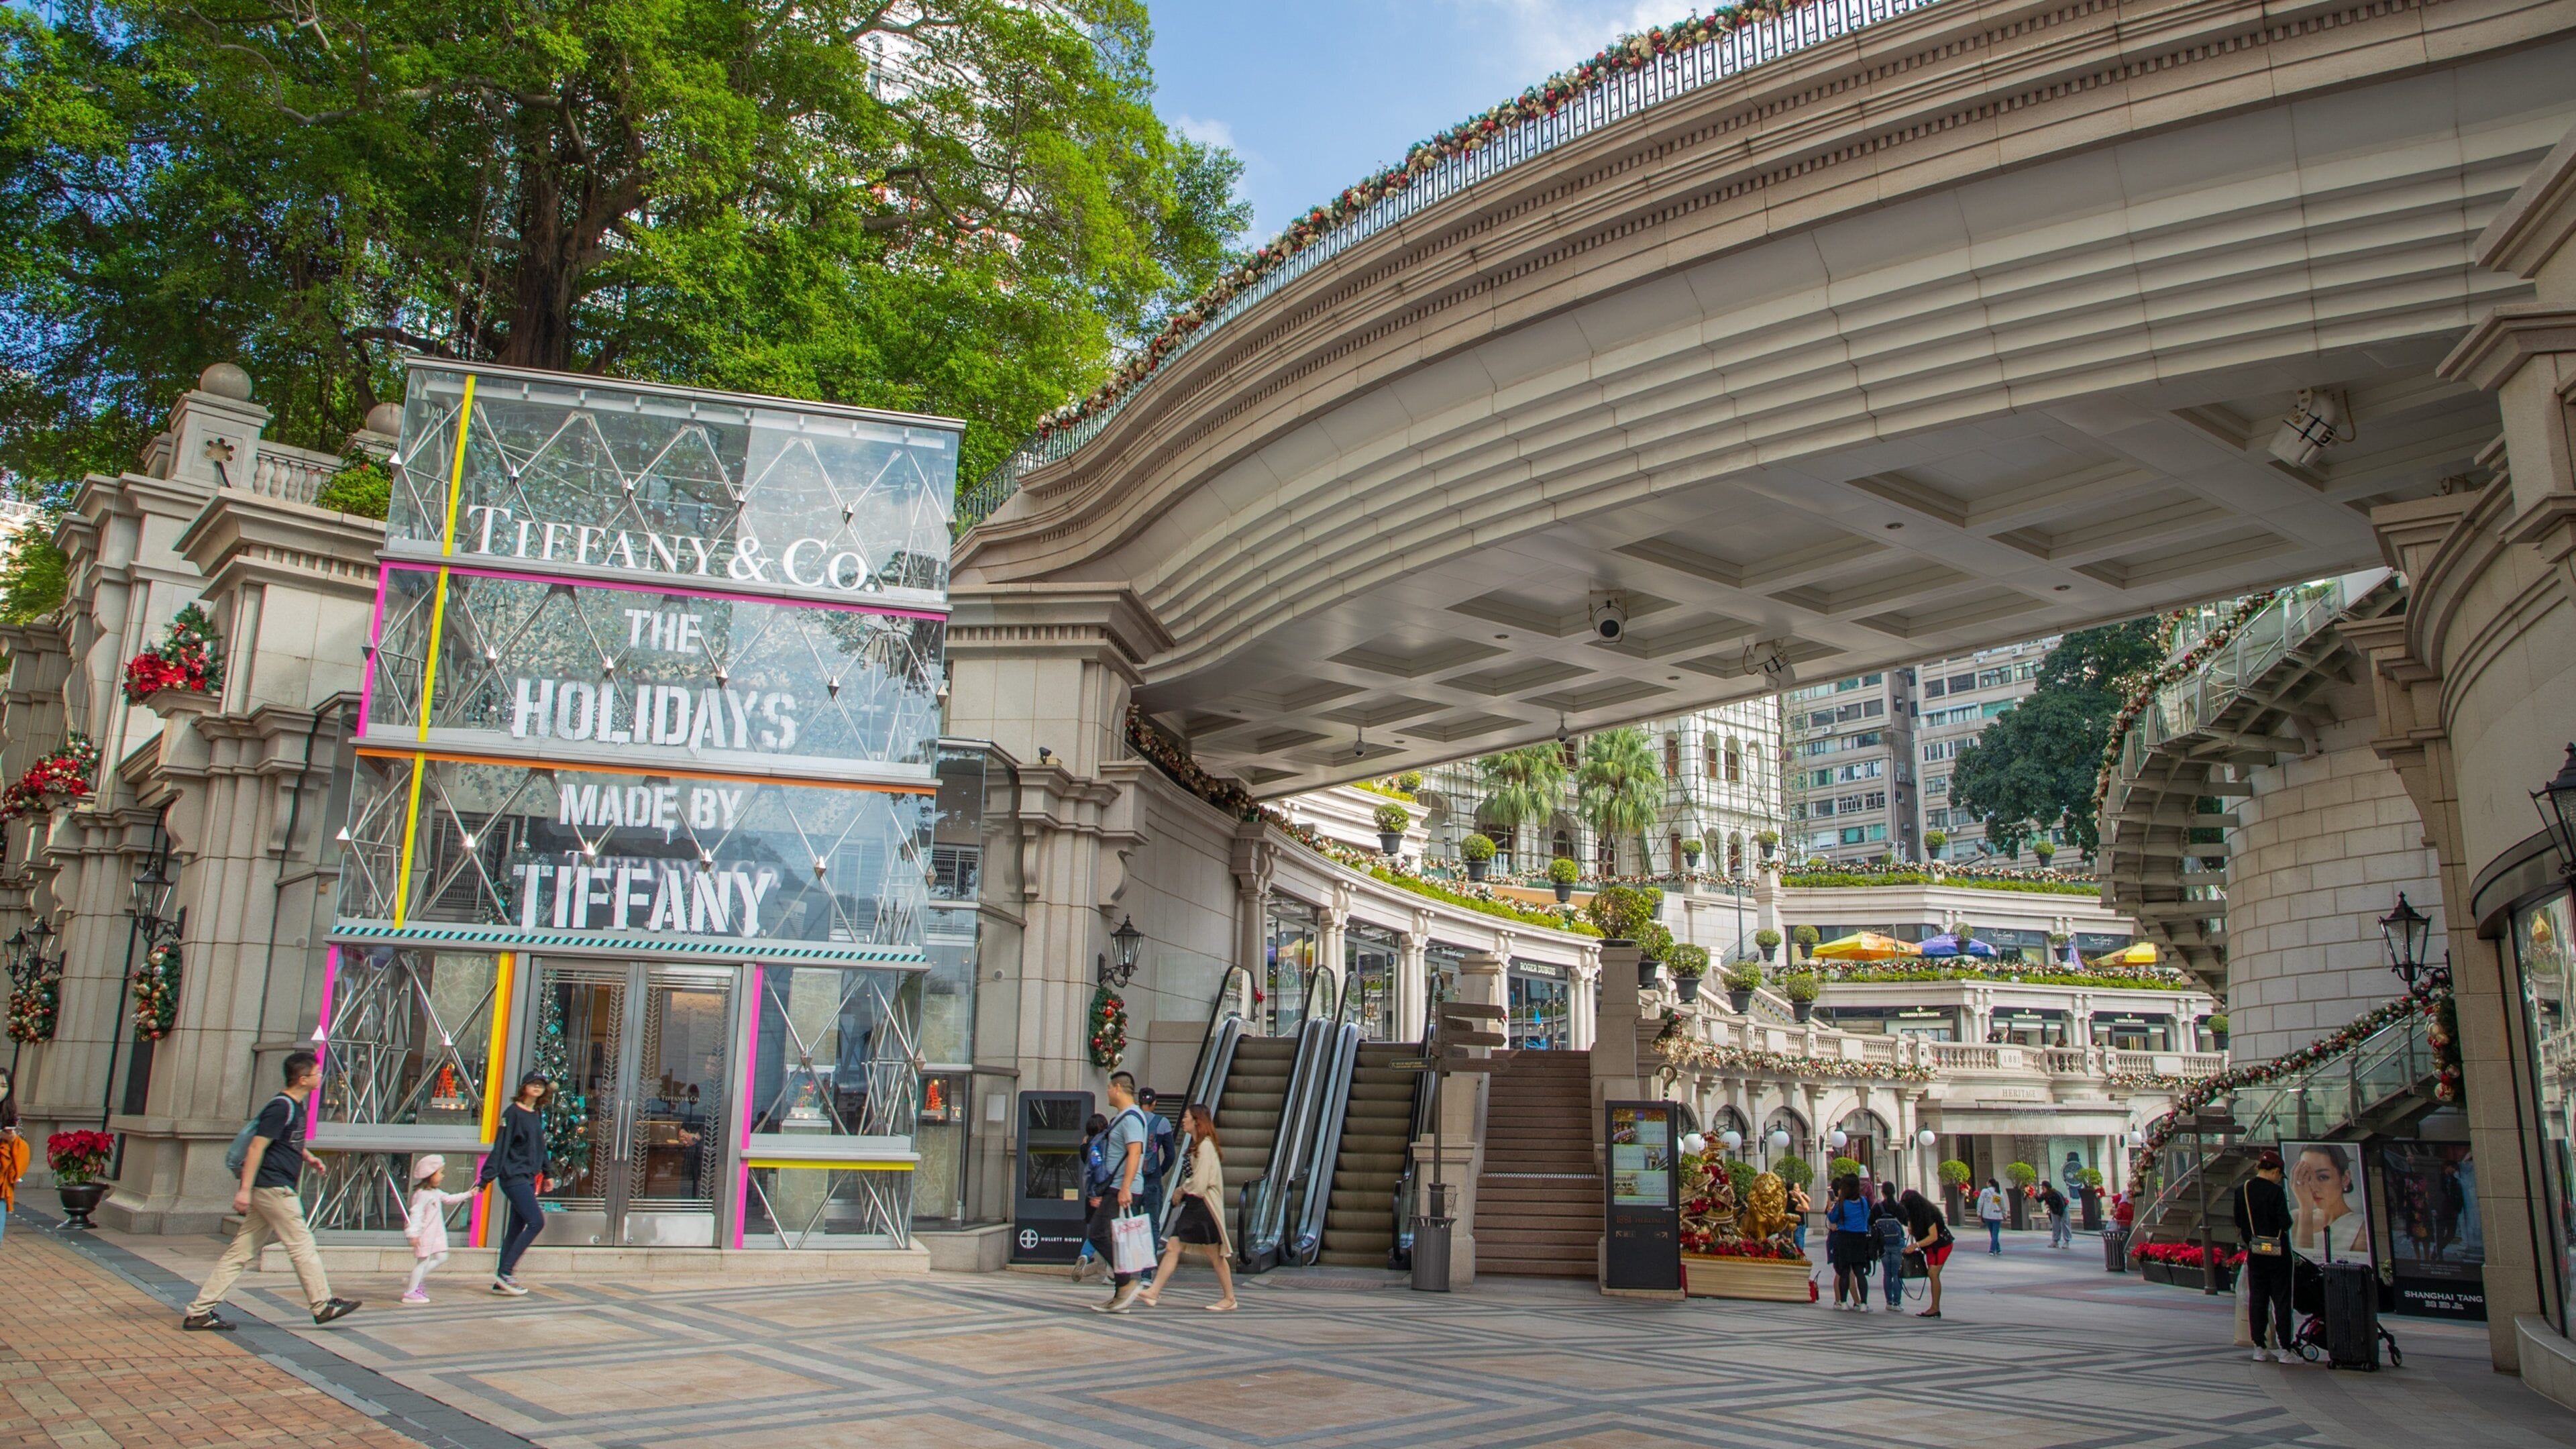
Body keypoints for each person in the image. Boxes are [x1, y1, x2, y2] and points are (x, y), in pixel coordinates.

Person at [183, 1051, 360, 1330]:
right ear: (303, 1079)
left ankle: (200, 1312)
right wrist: (244, 1190)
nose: (320, 1077)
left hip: (271, 1188)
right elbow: (257, 1147)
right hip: (274, 1188)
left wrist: (306, 1156)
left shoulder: (294, 1107)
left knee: (239, 1253)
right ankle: (322, 1304)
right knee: (302, 1245)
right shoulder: (281, 1107)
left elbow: (284, 1141)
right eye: (316, 1073)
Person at [1137, 1104, 1238, 1311]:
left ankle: (1229, 1298)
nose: (1183, 1120)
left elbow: (1200, 1183)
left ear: (1197, 1121)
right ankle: (1154, 1292)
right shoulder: (1197, 1145)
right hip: (1197, 1206)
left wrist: (1181, 1190)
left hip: (1203, 1207)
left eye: (1187, 1117)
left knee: (1213, 1254)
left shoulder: (1205, 1146)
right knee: (1177, 1246)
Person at [477, 1072, 552, 1297]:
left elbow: (540, 1146)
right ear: (524, 1087)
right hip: (513, 1177)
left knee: (516, 1226)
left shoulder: (536, 1114)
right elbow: (501, 1147)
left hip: (529, 1177)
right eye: (533, 1084)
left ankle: (502, 1279)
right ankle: (506, 1272)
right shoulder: (513, 1113)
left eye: (541, 1085)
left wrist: (548, 1173)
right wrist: (486, 1178)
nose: (537, 1088)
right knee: (536, 1221)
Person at [1083, 1071, 1151, 1313]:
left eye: (1110, 1088)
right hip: (1119, 1186)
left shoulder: (1131, 1118)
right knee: (1114, 1237)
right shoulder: (1123, 1117)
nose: (1108, 1092)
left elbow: (1135, 1153)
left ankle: (1128, 1280)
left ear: (1119, 1088)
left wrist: (1124, 1188)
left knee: (1098, 1232)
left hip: (1124, 1187)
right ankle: (1120, 1294)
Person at [2234, 1148, 2296, 1362]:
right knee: (2281, 1299)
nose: (2279, 1179)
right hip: (2278, 1253)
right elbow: (2286, 1222)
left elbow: (2239, 1221)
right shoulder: (2276, 1192)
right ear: (2276, 1171)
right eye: (2280, 1175)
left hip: (2255, 1251)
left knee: (2258, 1298)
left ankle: (2259, 1346)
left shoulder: (2242, 1190)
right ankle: (2286, 1349)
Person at [400, 1155, 474, 1304]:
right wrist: (413, 1234)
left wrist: (469, 1194)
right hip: (424, 1235)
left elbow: (449, 1198)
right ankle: (410, 1292)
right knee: (422, 1262)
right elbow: (416, 1214)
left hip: (435, 1235)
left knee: (441, 1257)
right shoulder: (422, 1195)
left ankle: (415, 1281)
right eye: (440, 1172)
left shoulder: (434, 1192)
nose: (442, 1176)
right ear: (430, 1174)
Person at [2289, 1143, 2369, 1258]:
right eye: (2306, 1177)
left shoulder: (2360, 1227)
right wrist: (2305, 1209)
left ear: (2345, 1178)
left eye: (2323, 1177)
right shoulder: (2294, 1217)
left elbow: (2305, 1263)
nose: (2313, 1187)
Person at [1899, 1187, 1954, 1319]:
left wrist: (1915, 1245)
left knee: (1933, 1274)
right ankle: (1934, 1307)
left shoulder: (1928, 1213)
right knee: (1932, 1274)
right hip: (1932, 1247)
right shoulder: (1917, 1214)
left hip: (1940, 1245)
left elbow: (1933, 1236)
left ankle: (1935, 1307)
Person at [1072, 1111, 1113, 1283]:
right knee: (1109, 1235)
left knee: (1094, 1232)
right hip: (1103, 1195)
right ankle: (1111, 1272)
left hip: (1089, 1197)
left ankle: (1085, 1256)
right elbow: (1101, 1170)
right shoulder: (1102, 1147)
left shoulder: (1085, 1147)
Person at [1825, 1173, 1875, 1311]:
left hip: (1845, 1237)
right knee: (1859, 1270)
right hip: (1860, 1237)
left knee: (1844, 1270)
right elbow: (1867, 1216)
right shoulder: (1863, 1201)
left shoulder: (1842, 1203)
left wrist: (1830, 1210)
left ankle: (1843, 1301)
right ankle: (1864, 1303)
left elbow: (1833, 1218)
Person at [1138, 1087, 1178, 1254]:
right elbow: (1170, 1155)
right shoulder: (1162, 1123)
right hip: (1152, 1179)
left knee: (1130, 1223)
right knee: (1152, 1224)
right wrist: (1160, 1172)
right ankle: (1147, 1272)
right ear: (1154, 1103)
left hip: (1132, 1179)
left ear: (1139, 1102)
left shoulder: (1131, 1120)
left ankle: (1127, 1268)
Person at [1873, 1181, 1910, 1311]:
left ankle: (1889, 1301)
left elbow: (1870, 1222)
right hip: (1897, 1243)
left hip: (1883, 1245)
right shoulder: (1899, 1207)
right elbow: (1906, 1222)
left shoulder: (1878, 1207)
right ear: (1894, 1192)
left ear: (1882, 1192)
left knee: (1887, 1274)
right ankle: (1897, 1302)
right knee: (1897, 1274)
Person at [2039, 1179, 2072, 1248]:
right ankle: (2055, 1241)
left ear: (2047, 1188)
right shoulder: (2045, 1194)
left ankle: (2067, 1241)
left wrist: (2059, 1213)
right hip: (2054, 1210)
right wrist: (2035, 1195)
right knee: (2055, 1225)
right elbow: (2040, 1199)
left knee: (2065, 1224)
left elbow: (2062, 1203)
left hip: (2063, 1209)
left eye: (2043, 1187)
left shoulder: (2056, 1193)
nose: (2042, 1189)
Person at [1977, 1178, 2006, 1253]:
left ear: (1989, 1183)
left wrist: (1979, 1213)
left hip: (1987, 1216)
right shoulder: (1998, 1192)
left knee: (1992, 1233)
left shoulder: (1985, 1191)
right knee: (1995, 1234)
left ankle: (1993, 1250)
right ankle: (1997, 1249)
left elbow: (1980, 1203)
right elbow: (2002, 1205)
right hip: (1997, 1215)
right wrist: (2005, 1214)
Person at [1786, 1179, 1813, 1256]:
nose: (1799, 1190)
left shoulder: (1797, 1200)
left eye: (1799, 1188)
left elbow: (1809, 1200)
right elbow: (1806, 1208)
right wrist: (1800, 1197)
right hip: (1797, 1228)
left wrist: (1802, 1194)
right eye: (1797, 1188)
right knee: (1799, 1248)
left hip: (1802, 1226)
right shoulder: (1792, 1203)